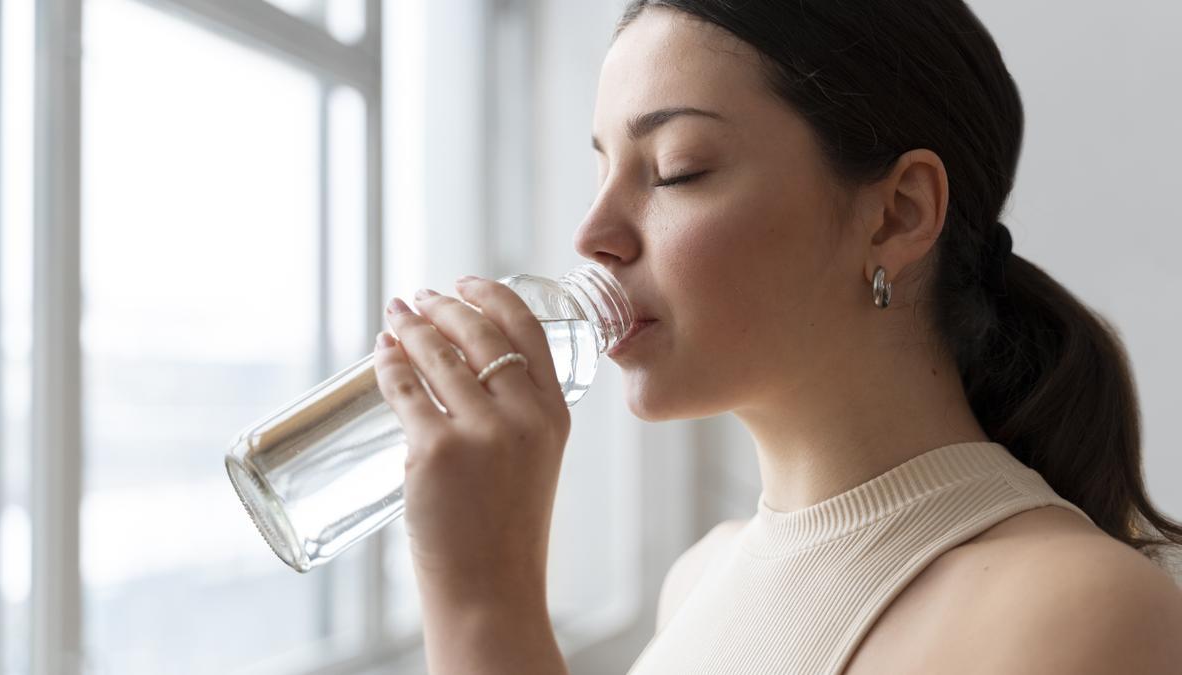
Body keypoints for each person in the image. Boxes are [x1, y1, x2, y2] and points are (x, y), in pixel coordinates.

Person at [371, 0, 1182, 672]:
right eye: (601, 170)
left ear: (898, 214)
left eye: (677, 168)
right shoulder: (697, 579)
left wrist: (482, 602)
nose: (592, 233)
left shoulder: (1082, 612)